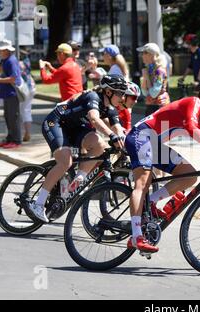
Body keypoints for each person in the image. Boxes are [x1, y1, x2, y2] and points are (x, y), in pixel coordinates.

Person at [124, 80, 200, 253]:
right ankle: (136, 236)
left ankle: (151, 202)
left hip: (155, 144)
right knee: (143, 182)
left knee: (189, 175)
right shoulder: (194, 102)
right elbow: (191, 127)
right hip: (141, 135)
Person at [27, 75, 128, 222]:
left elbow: (118, 128)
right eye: (120, 93)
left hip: (74, 128)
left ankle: (79, 178)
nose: (123, 97)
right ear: (108, 92)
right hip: (55, 123)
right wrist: (111, 135)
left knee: (100, 144)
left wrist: (122, 139)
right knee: (65, 162)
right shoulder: (93, 97)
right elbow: (94, 118)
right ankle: (38, 203)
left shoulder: (110, 108)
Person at [0, 40, 23, 149]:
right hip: (7, 94)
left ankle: (16, 140)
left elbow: (13, 78)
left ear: (6, 50)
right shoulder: (5, 60)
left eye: (0, 50)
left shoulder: (11, 61)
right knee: (8, 117)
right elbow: (4, 75)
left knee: (13, 118)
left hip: (12, 94)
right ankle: (10, 138)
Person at [137, 43, 170, 116]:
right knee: (149, 127)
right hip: (151, 108)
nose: (142, 55)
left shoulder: (159, 71)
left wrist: (146, 78)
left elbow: (153, 93)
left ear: (152, 55)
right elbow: (144, 92)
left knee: (164, 127)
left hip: (162, 109)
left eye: (145, 53)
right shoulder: (149, 70)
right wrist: (145, 77)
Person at [19, 48, 36, 142]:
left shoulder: (18, 63)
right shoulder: (27, 60)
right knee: (26, 110)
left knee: (20, 111)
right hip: (31, 86)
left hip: (22, 88)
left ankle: (23, 133)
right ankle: (27, 132)